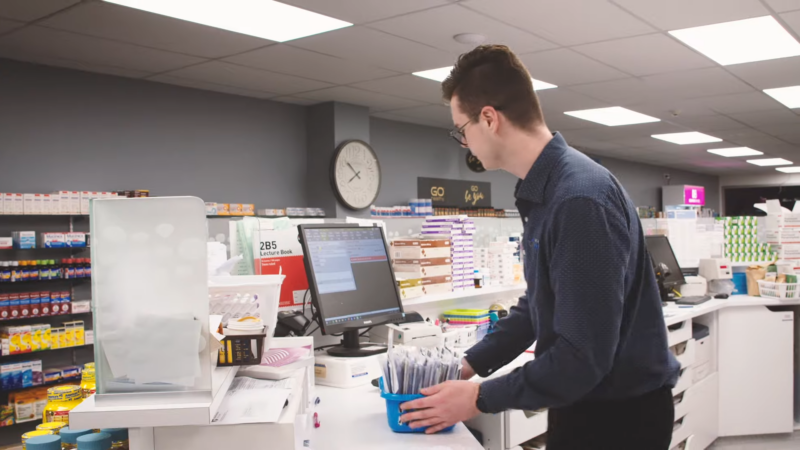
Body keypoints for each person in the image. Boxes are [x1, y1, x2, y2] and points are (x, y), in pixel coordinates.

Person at [399, 45, 680, 450]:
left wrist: (478, 398)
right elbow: (541, 302)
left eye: (462, 130)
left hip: (618, 417)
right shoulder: (549, 190)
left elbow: (582, 357)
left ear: (489, 119)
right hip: (589, 402)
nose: (464, 143)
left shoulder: (578, 199)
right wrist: (468, 365)